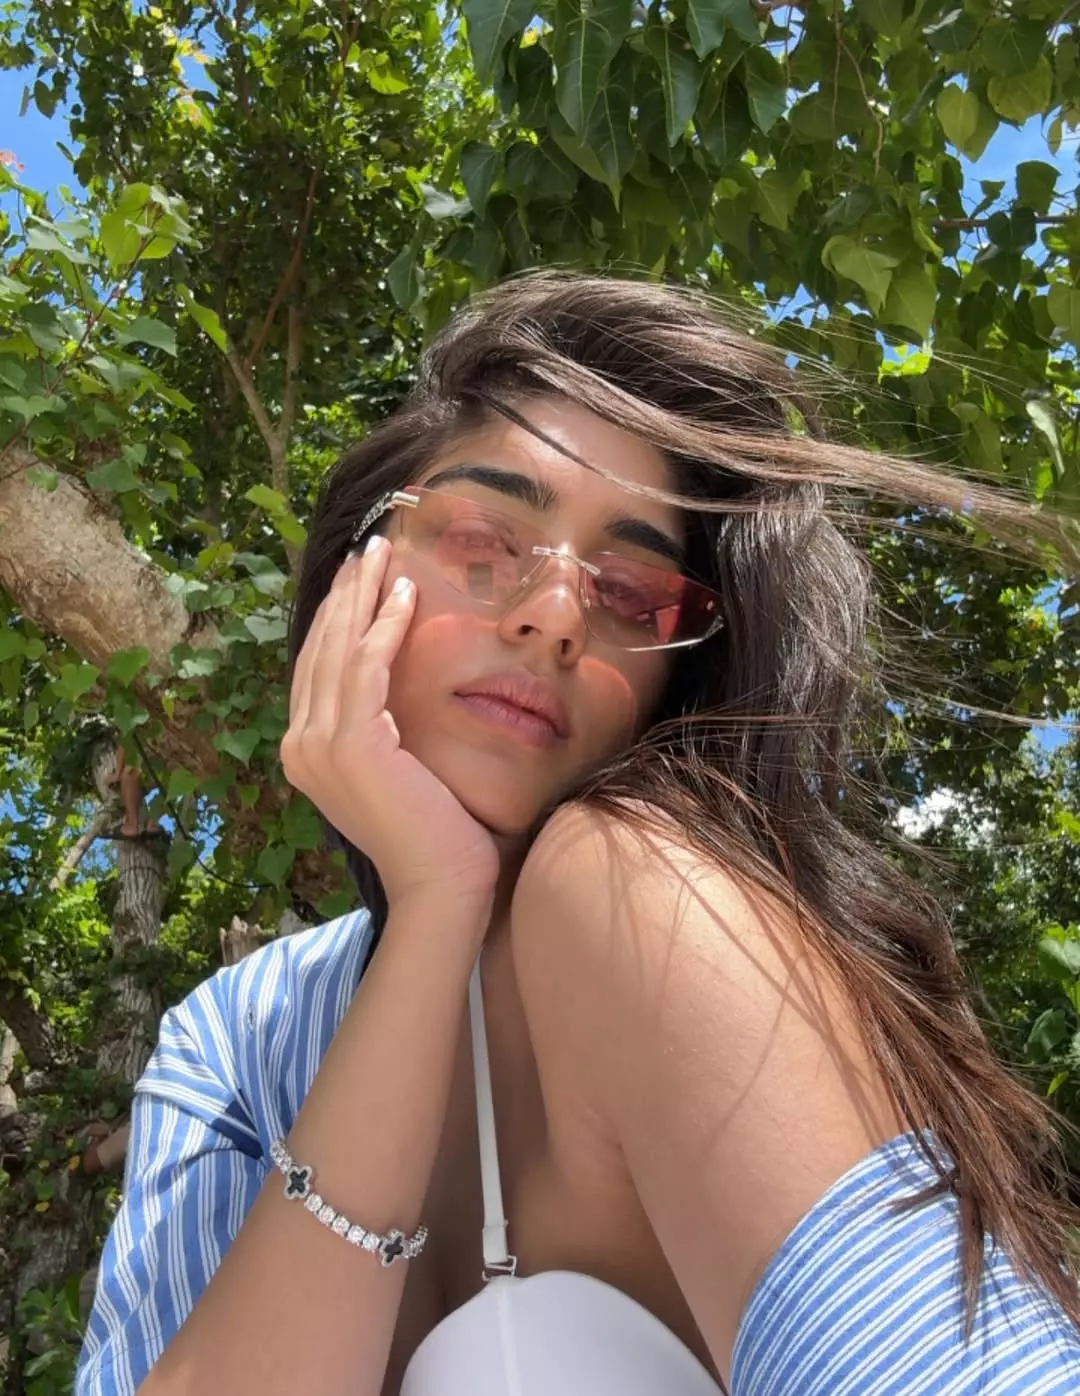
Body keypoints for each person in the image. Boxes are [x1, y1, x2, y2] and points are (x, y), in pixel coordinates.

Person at [76, 273, 1080, 1396]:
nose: (555, 617)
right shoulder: (242, 1041)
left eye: (632, 595)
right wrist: (436, 909)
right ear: (358, 574)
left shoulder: (655, 900)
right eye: (481, 541)